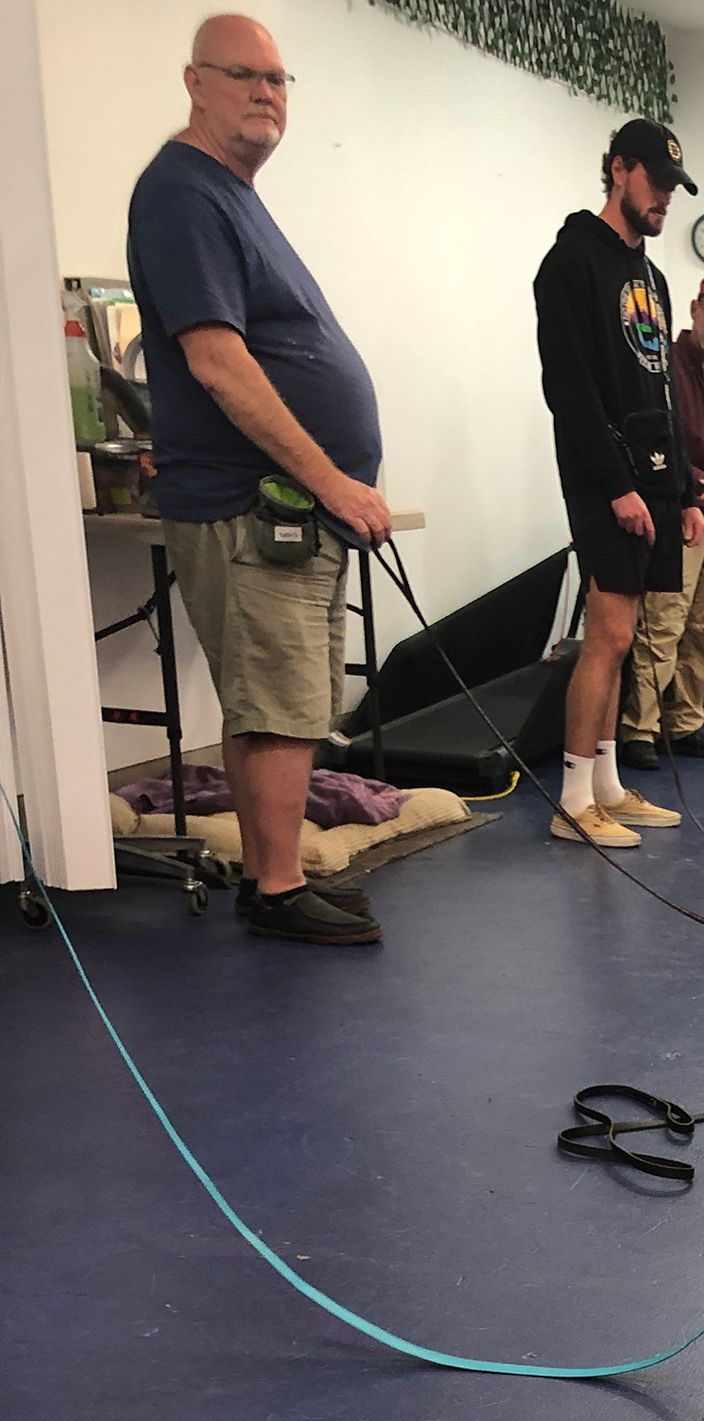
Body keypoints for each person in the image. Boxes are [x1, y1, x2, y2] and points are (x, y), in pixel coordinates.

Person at [126, 14, 388, 946]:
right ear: (194, 82)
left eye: (280, 80)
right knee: (279, 698)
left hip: (288, 503)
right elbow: (219, 363)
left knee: (285, 699)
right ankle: (278, 889)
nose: (267, 94)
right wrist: (334, 482)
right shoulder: (182, 195)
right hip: (253, 503)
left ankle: (264, 875)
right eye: (246, 76)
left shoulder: (231, 195)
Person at [533, 119, 704, 846]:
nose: (665, 198)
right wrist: (615, 488)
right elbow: (569, 390)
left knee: (626, 632)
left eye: (673, 188)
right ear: (618, 170)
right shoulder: (572, 261)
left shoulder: (651, 276)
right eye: (656, 183)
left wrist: (688, 493)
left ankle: (607, 783)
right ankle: (573, 800)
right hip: (605, 479)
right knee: (606, 634)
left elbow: (660, 389)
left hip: (655, 479)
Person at [622, 274, 704, 770]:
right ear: (695, 308)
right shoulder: (661, 368)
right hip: (676, 511)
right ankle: (640, 729)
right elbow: (659, 439)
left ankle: (685, 722)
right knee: (664, 621)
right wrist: (697, 483)